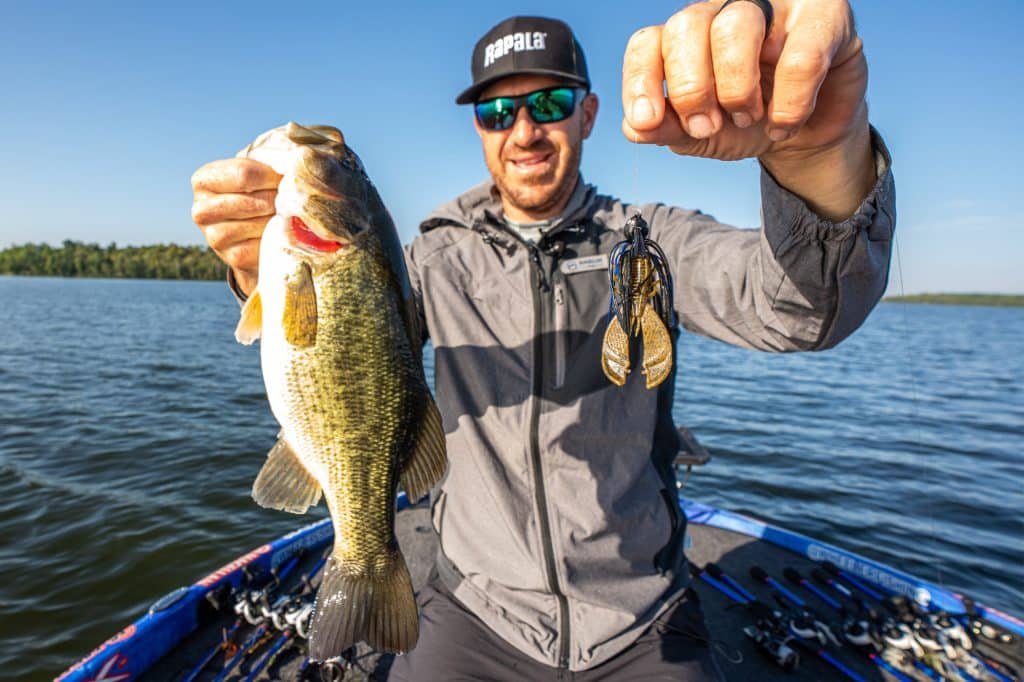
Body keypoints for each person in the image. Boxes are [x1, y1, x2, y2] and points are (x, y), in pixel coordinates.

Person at [191, 4, 894, 680]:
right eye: (498, 112)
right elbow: (349, 329)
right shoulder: (435, 254)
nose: (523, 130)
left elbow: (808, 311)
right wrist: (259, 271)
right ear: (478, 128)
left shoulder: (649, 244)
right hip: (476, 607)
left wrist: (820, 159)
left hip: (639, 616)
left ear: (587, 114)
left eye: (549, 105)